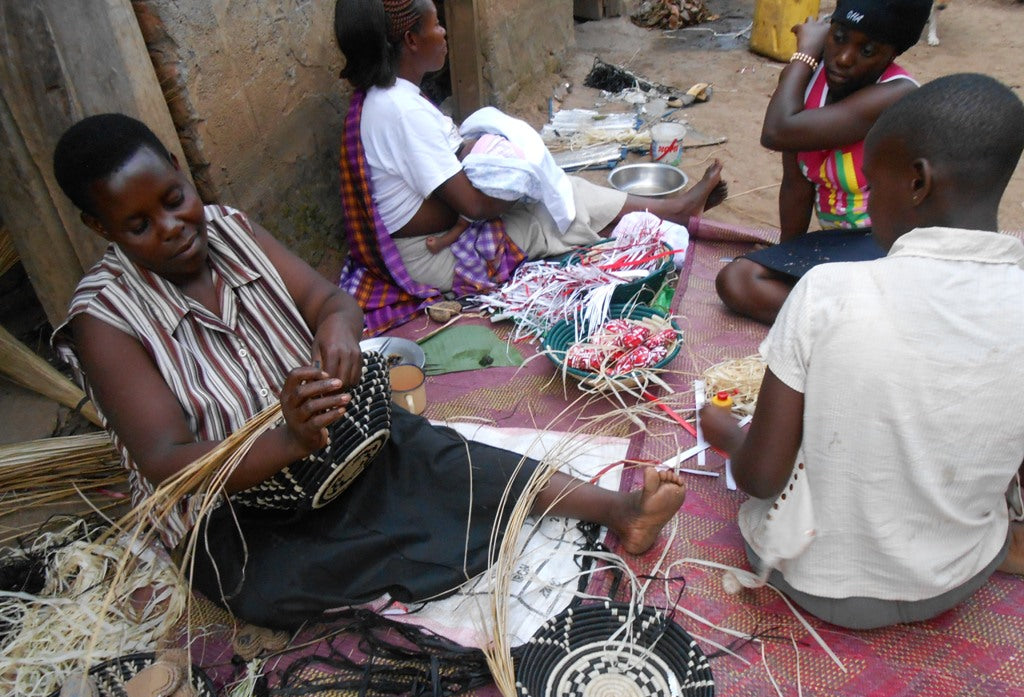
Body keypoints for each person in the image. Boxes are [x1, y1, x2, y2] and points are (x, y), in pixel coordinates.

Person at [50, 113, 687, 630]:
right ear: (98, 226)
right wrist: (287, 442)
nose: (172, 227)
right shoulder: (104, 318)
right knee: (273, 583)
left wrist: (336, 334)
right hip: (237, 509)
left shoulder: (231, 229)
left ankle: (619, 508)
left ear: (182, 174)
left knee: (443, 455)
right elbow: (169, 462)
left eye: (174, 199)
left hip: (324, 437)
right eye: (139, 225)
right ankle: (398, 544)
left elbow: (330, 301)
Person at [699, 73, 1024, 630]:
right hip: (955, 579)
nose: (869, 208)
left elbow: (762, 478)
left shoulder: (827, 291)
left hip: (815, 580)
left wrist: (727, 433)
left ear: (917, 182)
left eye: (873, 186)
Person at [334, 0, 727, 333]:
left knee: (562, 192)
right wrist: (523, 185)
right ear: (411, 40)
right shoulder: (402, 111)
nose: (444, 33)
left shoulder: (389, 98)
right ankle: (670, 215)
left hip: (431, 234)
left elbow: (451, 166)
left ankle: (671, 210)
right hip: (428, 258)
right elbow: (474, 206)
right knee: (553, 213)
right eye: (437, 24)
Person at [715, 0, 931, 325]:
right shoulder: (809, 83)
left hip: (890, 244)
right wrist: (786, 257)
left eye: (867, 50)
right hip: (839, 244)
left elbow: (776, 132)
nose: (843, 58)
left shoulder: (896, 95)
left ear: (893, 54)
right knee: (738, 281)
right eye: (839, 37)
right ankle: (864, 320)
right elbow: (796, 184)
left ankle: (863, 321)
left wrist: (804, 54)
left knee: (749, 281)